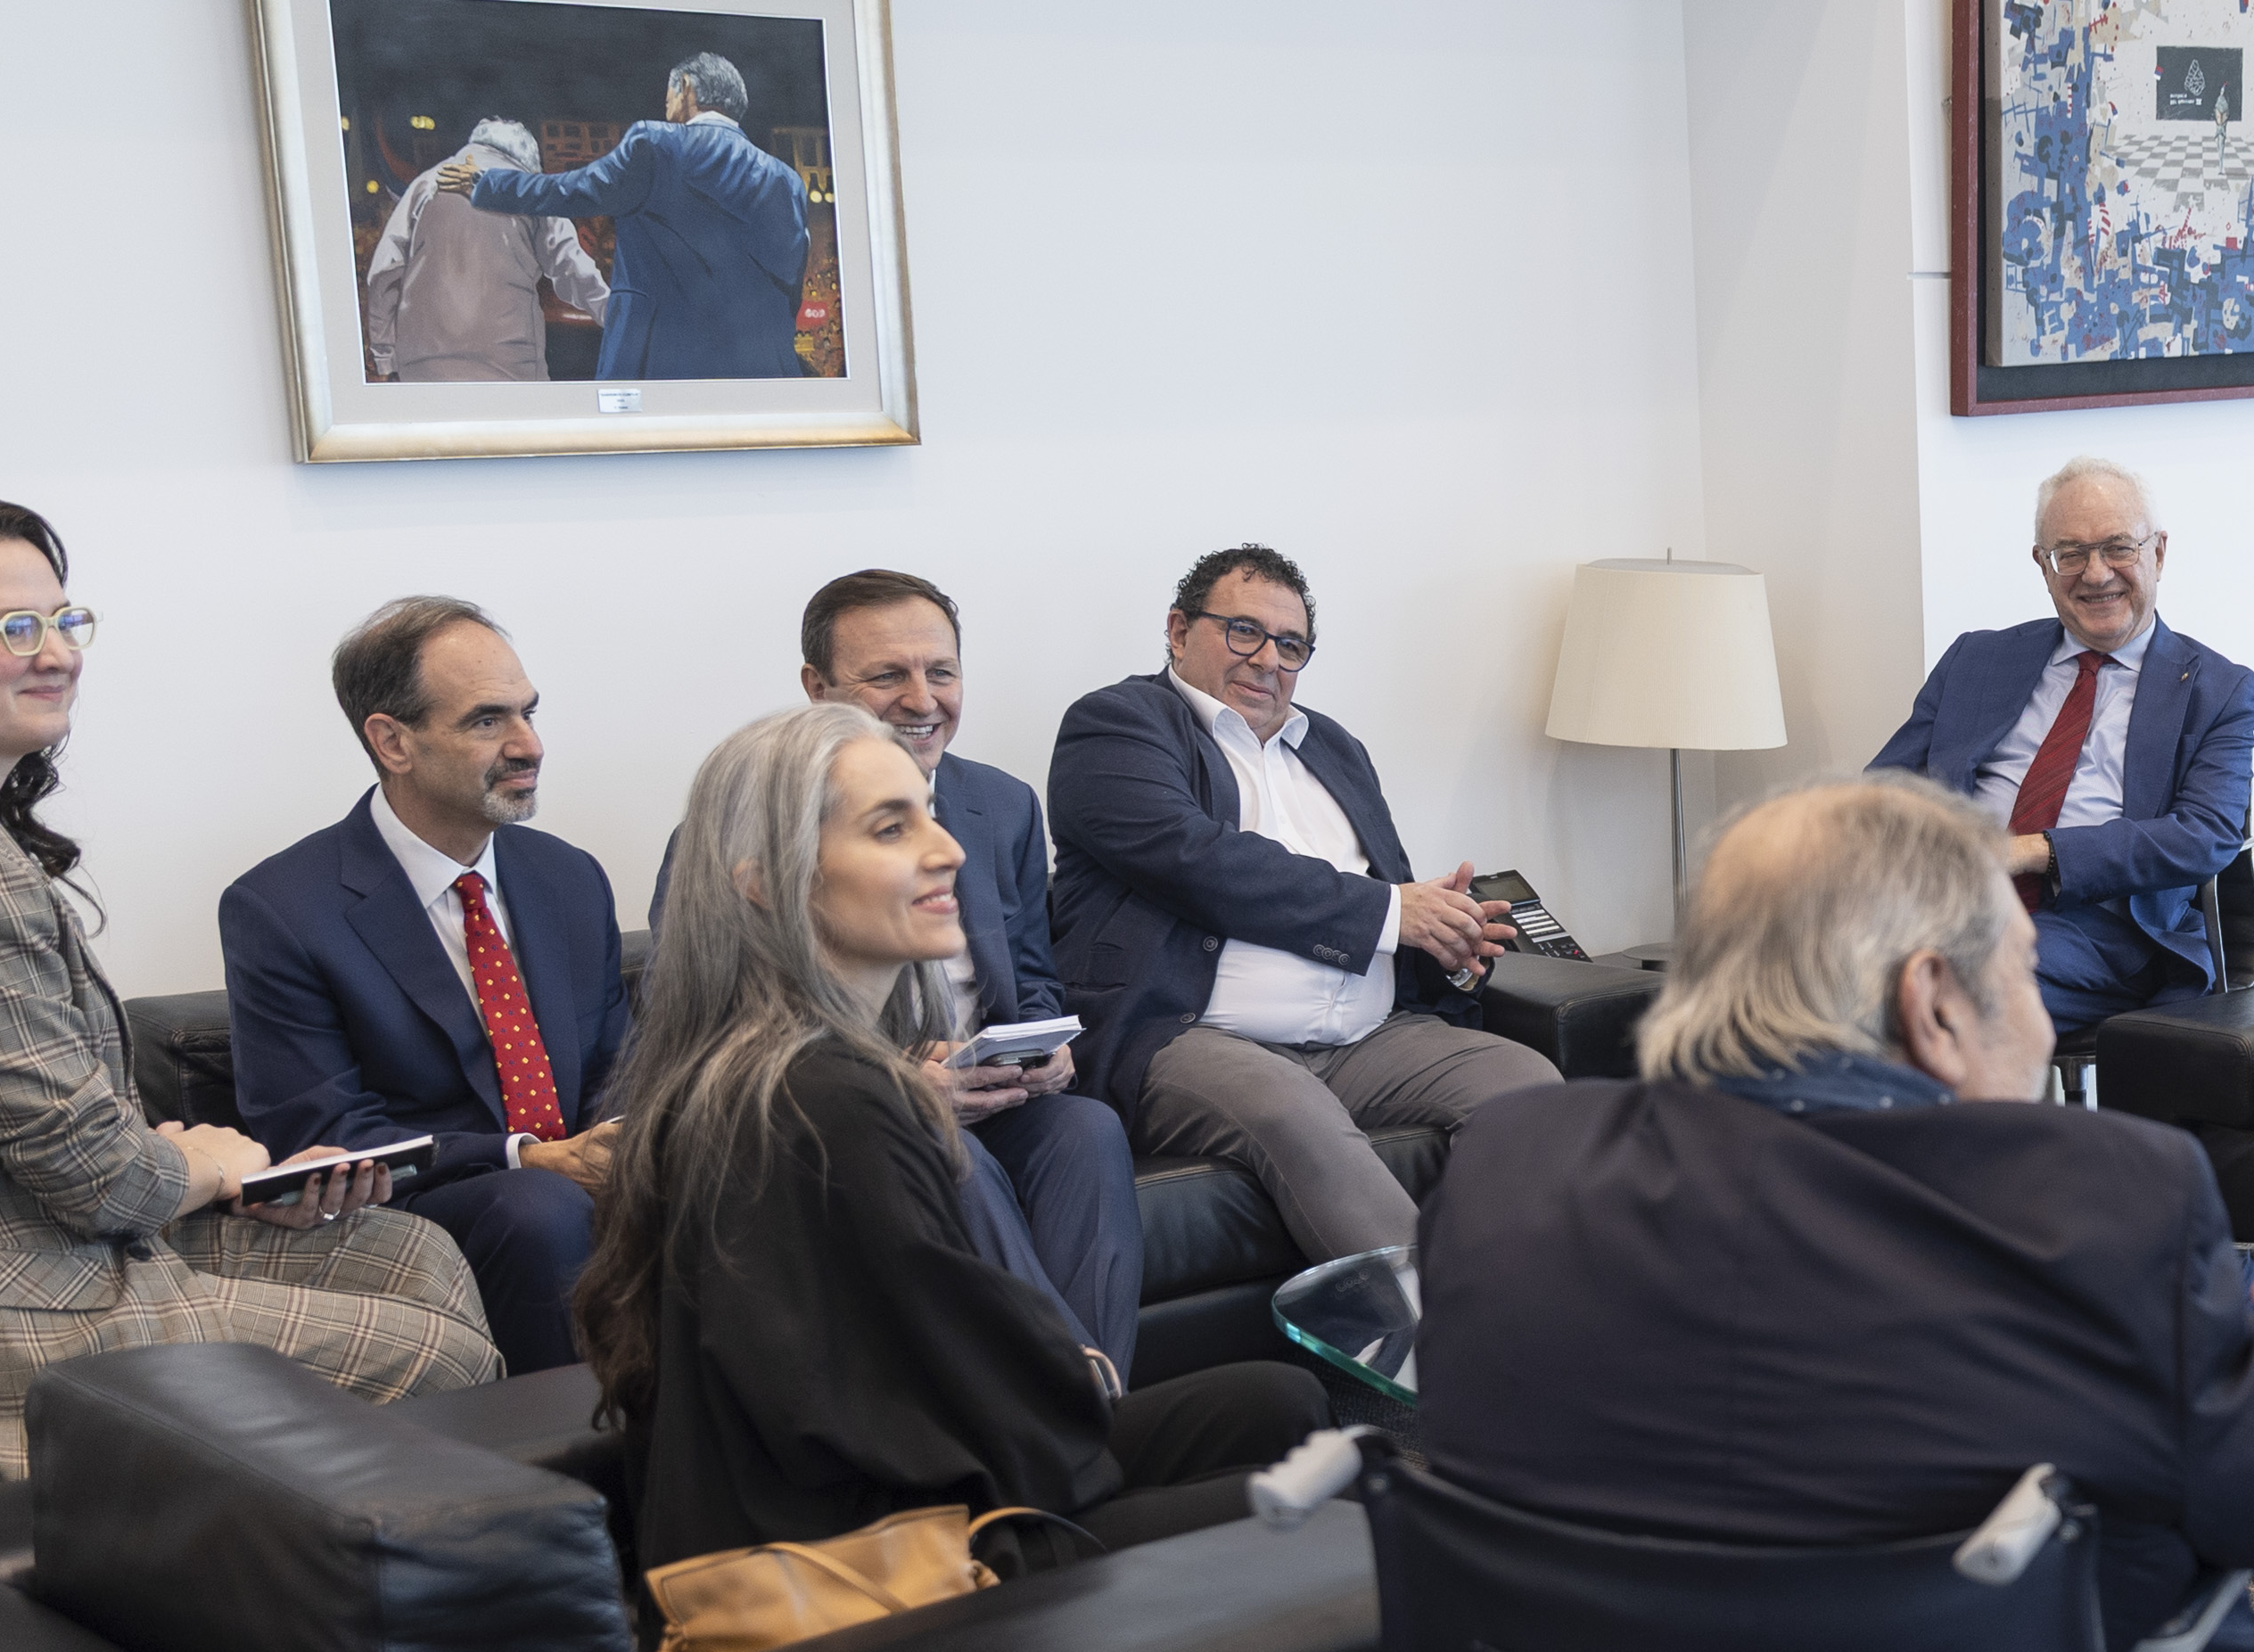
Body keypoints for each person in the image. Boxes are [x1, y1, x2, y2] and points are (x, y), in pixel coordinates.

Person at [1414, 775, 2254, 1652]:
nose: (2040, 1015)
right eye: (2023, 971)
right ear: (1935, 1002)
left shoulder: (1507, 1167)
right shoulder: (2097, 1202)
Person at [0, 497, 496, 1498]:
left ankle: (326, 1559)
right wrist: (211, 1163)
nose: (57, 654)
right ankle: (306, 1588)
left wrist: (188, 1162)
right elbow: (102, 1185)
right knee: (438, 1357)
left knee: (411, 1255)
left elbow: (47, 1129)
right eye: (14, 628)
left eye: (63, 620)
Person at [577, 703, 1325, 1578]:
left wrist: (1064, 1390)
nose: (949, 851)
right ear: (769, 883)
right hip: (873, 1560)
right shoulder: (830, 1102)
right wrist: (1074, 1381)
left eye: (928, 815)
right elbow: (987, 1400)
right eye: (891, 828)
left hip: (878, 1495)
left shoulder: (754, 1070)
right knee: (1332, 1492)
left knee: (1276, 1401)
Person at [1046, 540, 1556, 1268]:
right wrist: (1390, 913)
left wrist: (1448, 940)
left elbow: (1394, 897)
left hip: (1367, 1039)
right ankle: (1439, 1327)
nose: (1268, 660)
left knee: (1526, 1085)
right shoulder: (1117, 725)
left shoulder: (1334, 747)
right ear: (1179, 631)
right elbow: (1198, 860)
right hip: (1189, 1035)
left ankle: (1530, 1303)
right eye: (1243, 631)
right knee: (1289, 1107)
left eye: (1291, 645)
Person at [219, 596, 634, 1376]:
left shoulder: (569, 877)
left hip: (574, 1181)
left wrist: (632, 1140)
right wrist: (526, 1158)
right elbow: (325, 1130)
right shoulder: (282, 910)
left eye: (529, 712)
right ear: (392, 742)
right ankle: (573, 1446)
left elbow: (621, 1067)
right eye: (488, 721)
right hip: (427, 1205)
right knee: (537, 1206)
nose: (529, 745)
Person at [780, 567, 1143, 1371]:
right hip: (857, 1109)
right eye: (887, 676)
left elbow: (1032, 972)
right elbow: (715, 1017)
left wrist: (1045, 1047)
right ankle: (1071, 1390)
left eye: (940, 672)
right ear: (817, 688)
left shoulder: (1002, 805)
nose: (922, 700)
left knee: (1087, 1128)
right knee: (948, 1153)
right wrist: (891, 1079)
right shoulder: (757, 821)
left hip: (993, 1089)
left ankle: (1097, 1398)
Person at [1866, 457, 2254, 1031]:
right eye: (2071, 554)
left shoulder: (2217, 690)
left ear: (2158, 553)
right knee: (1793, 966)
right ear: (2042, 564)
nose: (2096, 574)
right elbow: (1884, 790)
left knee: (1935, 988)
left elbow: (2206, 835)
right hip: (1948, 902)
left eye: (2119, 548)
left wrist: (2035, 852)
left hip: (2101, 927)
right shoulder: (1977, 660)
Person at [437, 54, 812, 385]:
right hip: (760, 369)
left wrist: (487, 184)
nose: (666, 102)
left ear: (686, 87)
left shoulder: (655, 145)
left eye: (669, 92)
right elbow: (790, 279)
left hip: (657, 366)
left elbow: (572, 191)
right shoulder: (787, 181)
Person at [358, 119, 604, 382]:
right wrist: (617, 317)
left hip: (423, 366)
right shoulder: (528, 190)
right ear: (529, 162)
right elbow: (574, 269)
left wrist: (385, 357)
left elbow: (384, 272)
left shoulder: (425, 185)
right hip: (509, 365)